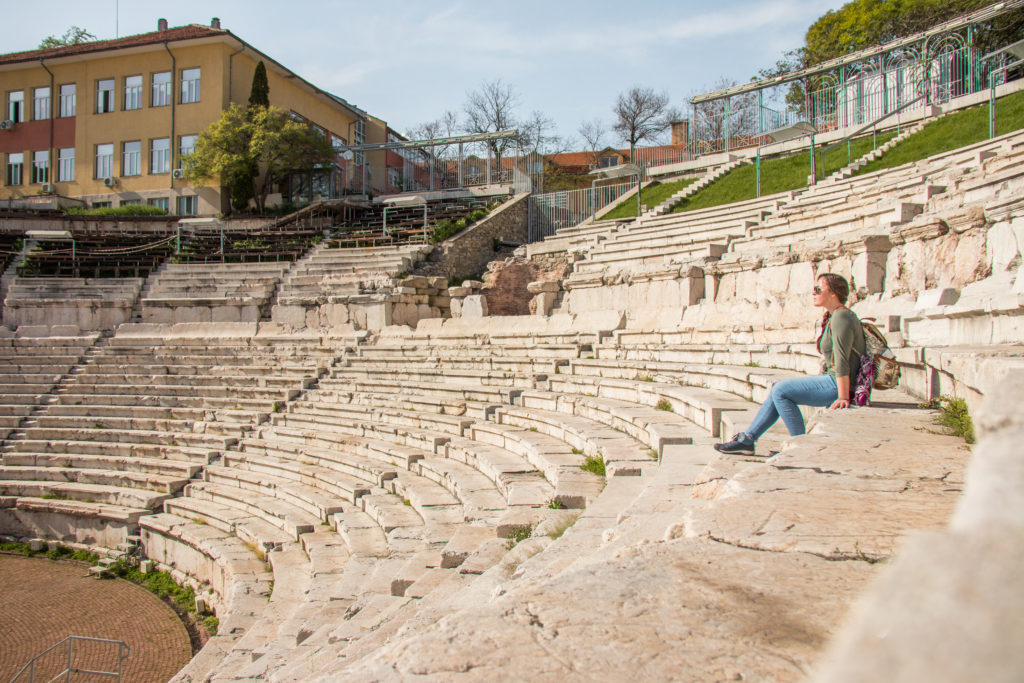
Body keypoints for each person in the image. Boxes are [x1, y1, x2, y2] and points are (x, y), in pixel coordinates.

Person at [714, 272, 865, 455]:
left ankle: (799, 446)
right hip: (833, 380)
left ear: (833, 293)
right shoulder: (836, 316)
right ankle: (748, 439)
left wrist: (843, 397)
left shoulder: (841, 317)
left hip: (837, 385)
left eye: (818, 289)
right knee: (778, 389)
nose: (813, 293)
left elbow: (841, 359)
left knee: (781, 391)